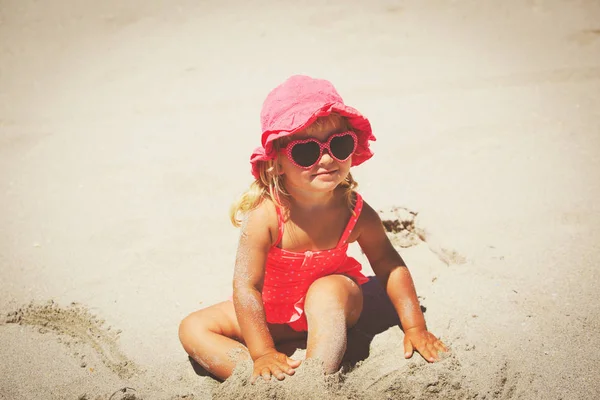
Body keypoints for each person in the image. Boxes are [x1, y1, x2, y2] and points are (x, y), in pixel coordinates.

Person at [178, 75, 447, 382]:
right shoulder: (266, 216)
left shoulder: (354, 211)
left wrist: (415, 327)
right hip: (273, 313)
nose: (328, 158)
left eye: (340, 144)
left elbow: (389, 263)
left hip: (334, 309)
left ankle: (315, 375)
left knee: (326, 289)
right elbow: (246, 286)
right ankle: (256, 376)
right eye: (306, 152)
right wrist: (262, 352)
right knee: (193, 327)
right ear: (277, 162)